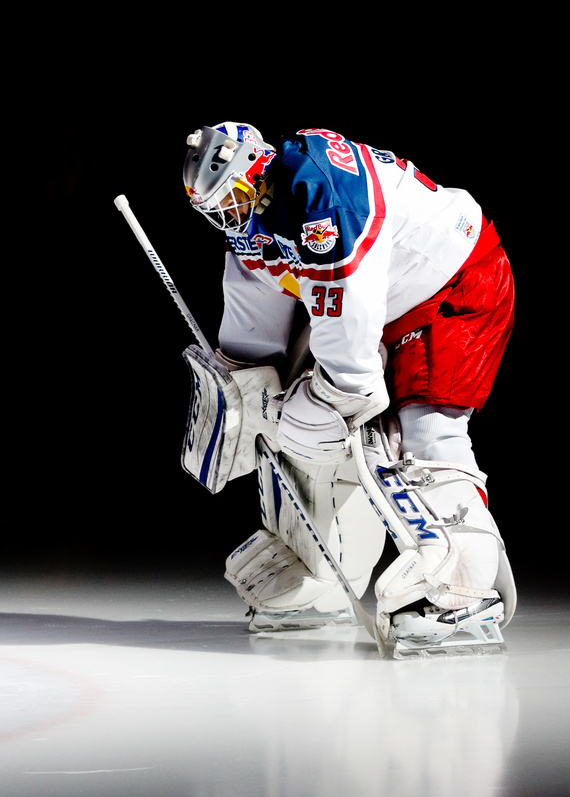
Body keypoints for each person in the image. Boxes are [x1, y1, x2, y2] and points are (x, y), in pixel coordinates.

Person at [181, 122, 516, 657]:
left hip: (451, 283)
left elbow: (348, 341)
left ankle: (465, 588)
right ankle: (321, 576)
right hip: (383, 294)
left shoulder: (323, 196)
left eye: (236, 199)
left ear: (258, 172)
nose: (231, 216)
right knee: (289, 413)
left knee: (422, 436)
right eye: (218, 209)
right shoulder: (254, 215)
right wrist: (243, 390)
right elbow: (255, 317)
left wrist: (329, 400)